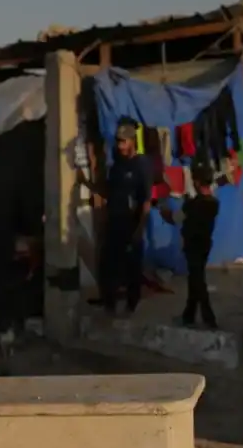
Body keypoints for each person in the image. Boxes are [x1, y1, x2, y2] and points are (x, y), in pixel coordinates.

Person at [81, 118, 155, 316]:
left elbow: (146, 201)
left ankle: (131, 306)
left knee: (132, 268)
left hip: (132, 225)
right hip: (115, 224)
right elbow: (106, 191)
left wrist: (139, 229)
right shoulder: (117, 167)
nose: (121, 146)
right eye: (119, 142)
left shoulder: (142, 165)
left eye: (124, 141)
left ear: (132, 141)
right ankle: (109, 304)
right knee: (108, 265)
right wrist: (86, 183)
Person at [161, 164, 220, 329]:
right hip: (205, 245)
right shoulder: (213, 203)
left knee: (197, 282)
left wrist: (162, 209)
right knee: (194, 280)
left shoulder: (192, 204)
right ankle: (189, 316)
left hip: (193, 246)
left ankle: (209, 319)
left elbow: (174, 218)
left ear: (198, 182)